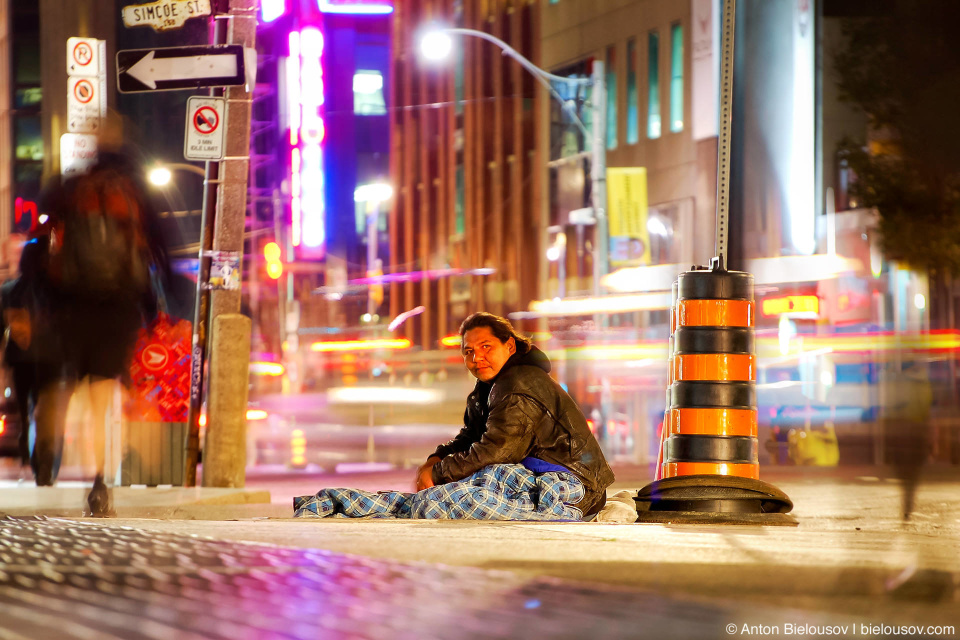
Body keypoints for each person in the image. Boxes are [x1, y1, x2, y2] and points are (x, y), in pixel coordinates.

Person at [40, 151, 170, 515]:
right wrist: (152, 309)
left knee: (83, 389)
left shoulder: (72, 193)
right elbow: (157, 253)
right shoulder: (131, 197)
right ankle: (102, 478)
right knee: (105, 394)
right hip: (119, 308)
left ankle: (66, 437)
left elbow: (44, 238)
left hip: (76, 308)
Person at [415, 312, 615, 518]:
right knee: (452, 493)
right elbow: (472, 436)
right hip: (534, 472)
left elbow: (498, 450)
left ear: (509, 346)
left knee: (455, 499)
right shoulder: (490, 386)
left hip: (576, 485)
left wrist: (440, 472)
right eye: (468, 351)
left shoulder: (517, 385)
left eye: (485, 347)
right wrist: (436, 459)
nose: (477, 358)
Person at [0, 236, 64, 484]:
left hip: (20, 361)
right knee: (47, 412)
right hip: (51, 361)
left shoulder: (8, 291)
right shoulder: (57, 291)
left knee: (28, 410)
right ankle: (45, 464)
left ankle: (28, 445)